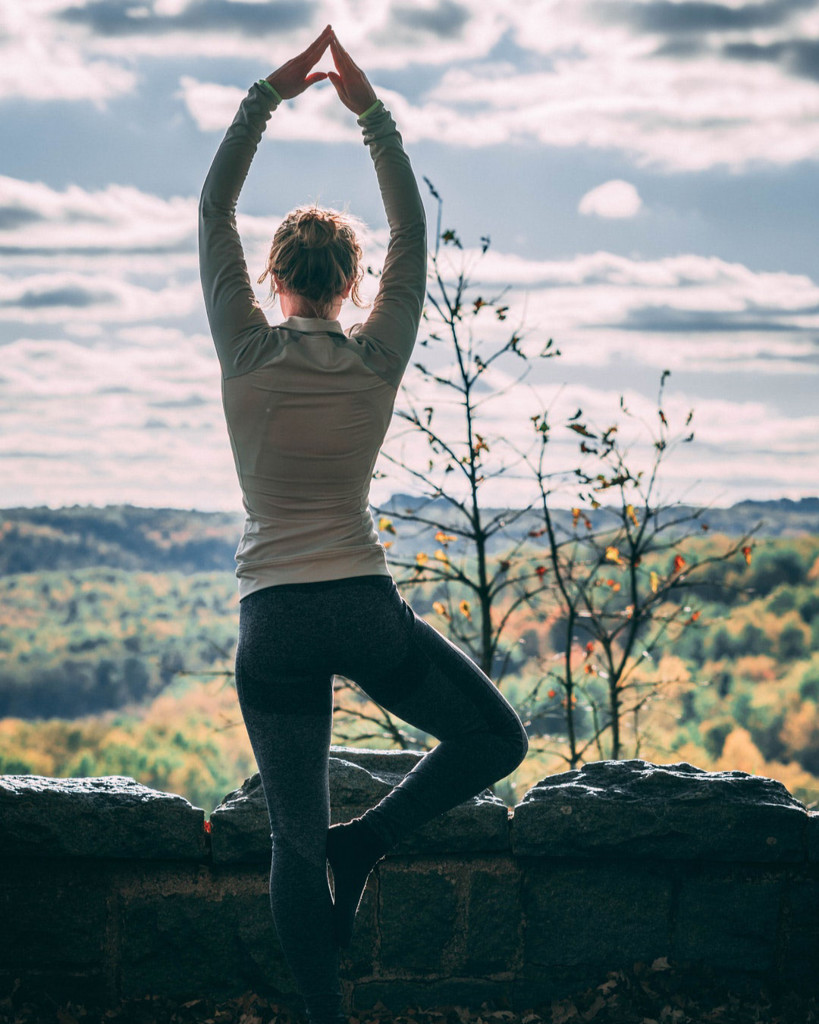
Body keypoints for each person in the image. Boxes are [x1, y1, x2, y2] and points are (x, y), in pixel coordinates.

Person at [198, 25, 529, 1024]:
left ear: (269, 278)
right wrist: (371, 117)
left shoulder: (246, 353)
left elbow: (212, 205)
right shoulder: (376, 356)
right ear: (351, 285)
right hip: (363, 609)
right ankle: (372, 837)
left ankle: (325, 1012)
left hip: (276, 625)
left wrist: (268, 94)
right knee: (493, 738)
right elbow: (412, 237)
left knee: (291, 838)